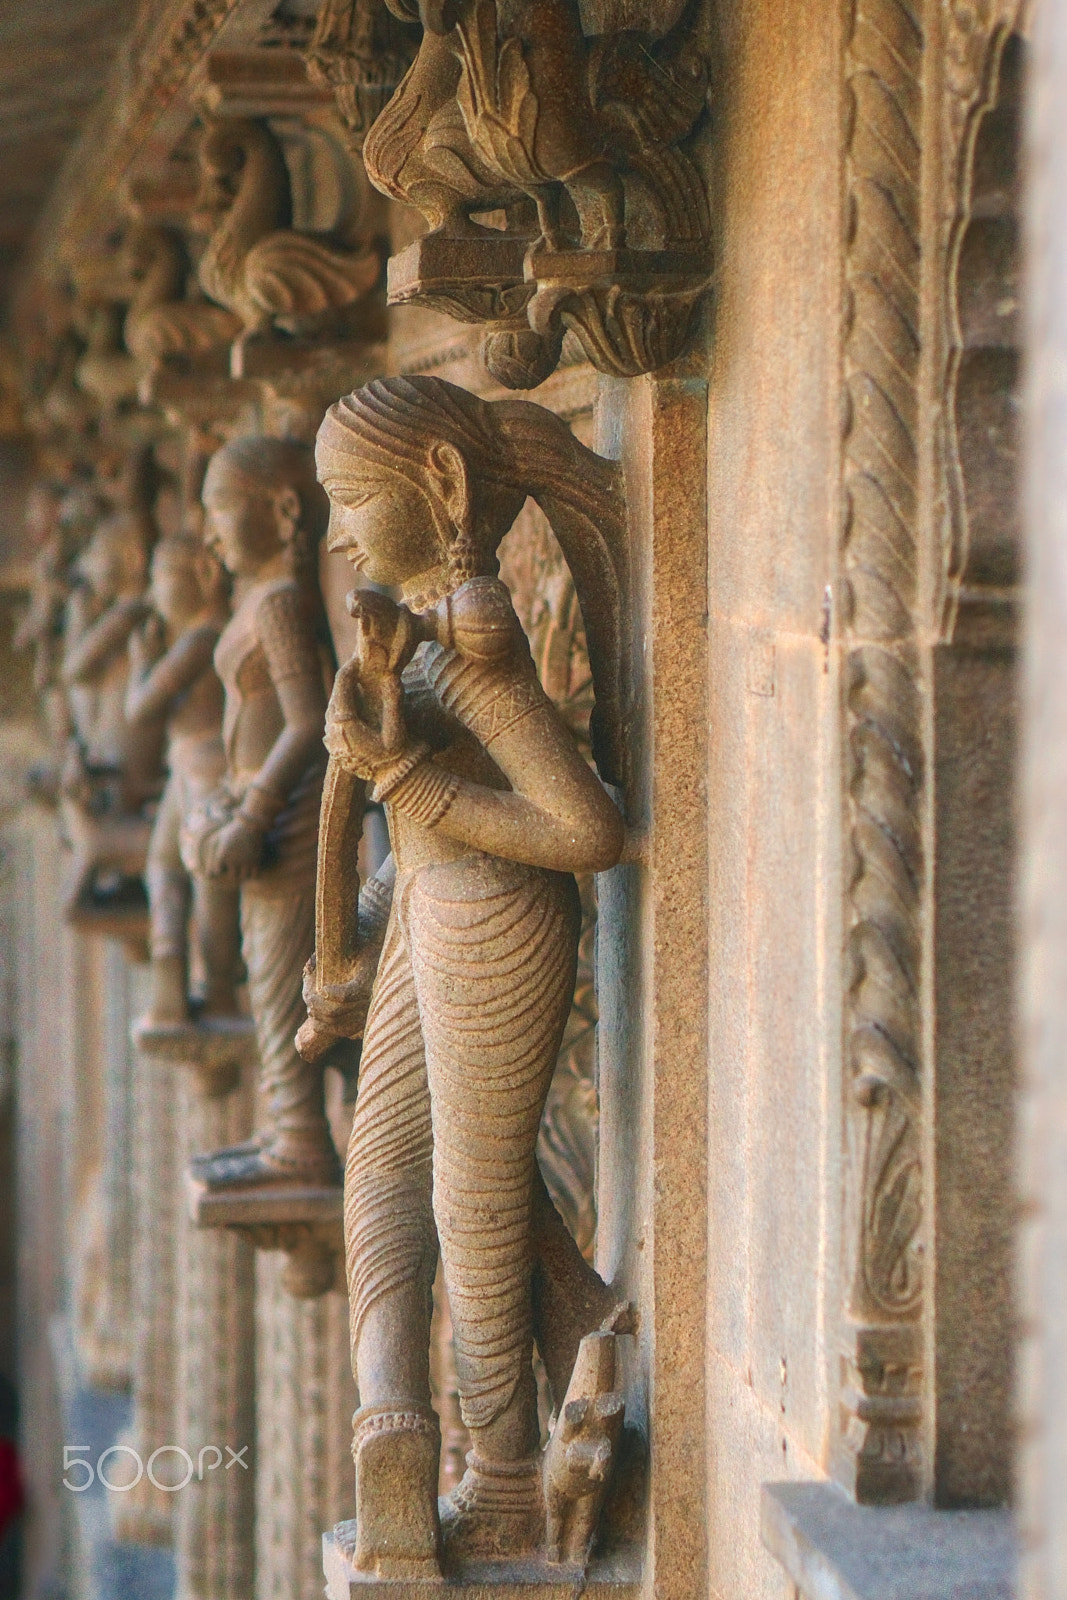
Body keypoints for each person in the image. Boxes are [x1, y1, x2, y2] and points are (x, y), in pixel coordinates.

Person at [304, 375, 627, 1568]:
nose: (338, 533)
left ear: (439, 486)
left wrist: (402, 781)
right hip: (429, 915)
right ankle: (392, 1420)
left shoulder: (470, 643)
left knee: (475, 1207)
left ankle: (495, 1484)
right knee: (380, 1165)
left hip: (498, 925)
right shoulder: (419, 643)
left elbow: (585, 829)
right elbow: (414, 837)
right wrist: (356, 936)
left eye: (352, 501)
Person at [183, 437, 338, 1190]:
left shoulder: (278, 604)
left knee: (280, 973)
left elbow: (308, 718)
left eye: (218, 513)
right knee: (262, 965)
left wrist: (255, 810)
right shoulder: (258, 600)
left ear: (279, 510)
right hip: (258, 808)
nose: (209, 536)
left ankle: (302, 1139)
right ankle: (284, 1125)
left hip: (286, 815)